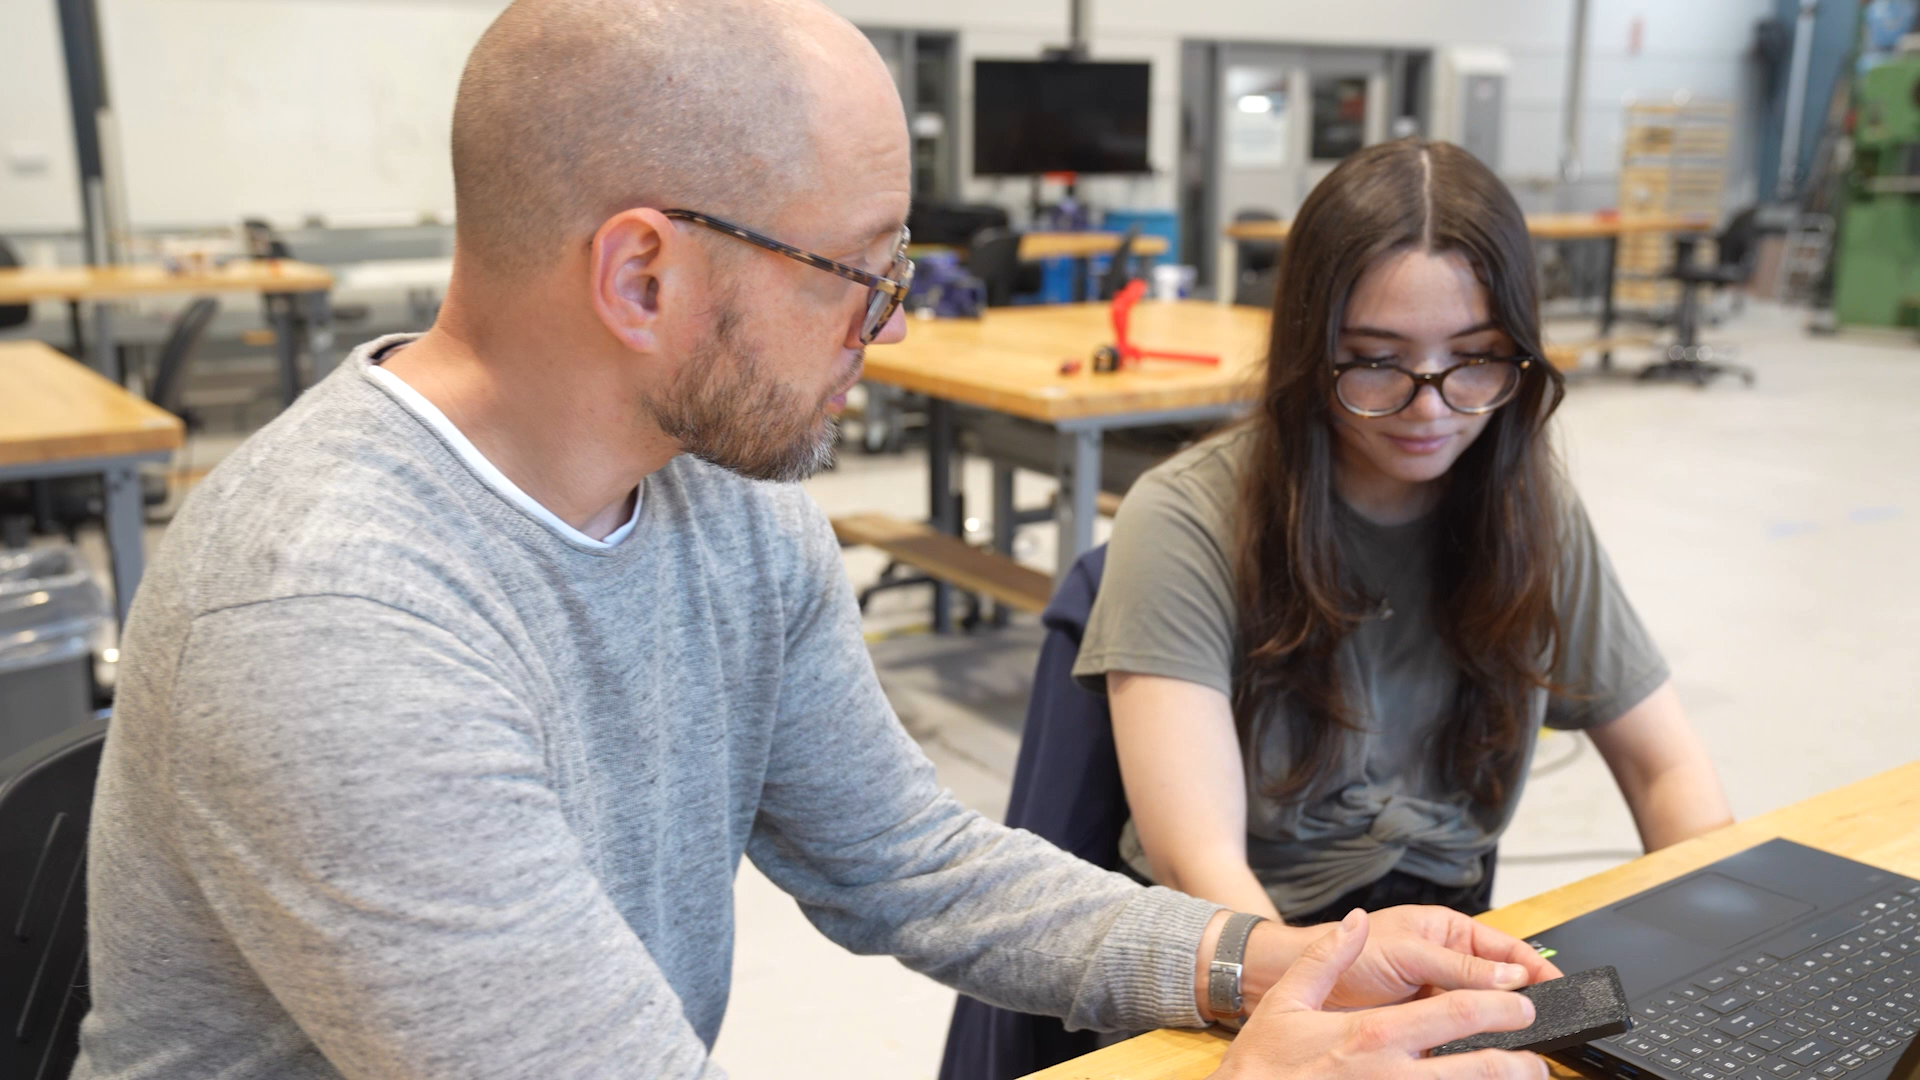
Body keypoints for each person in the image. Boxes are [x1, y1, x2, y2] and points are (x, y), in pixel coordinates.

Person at [73, 7, 1559, 1078]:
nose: (892, 322)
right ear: (641, 271)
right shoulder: (331, 623)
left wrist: (1262, 963)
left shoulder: (720, 494)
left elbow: (911, 864)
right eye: (858, 270)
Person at [1078, 139, 1735, 927]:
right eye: (1376, 361)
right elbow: (1197, 863)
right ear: (1307, 351)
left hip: (1442, 934)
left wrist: (1727, 943)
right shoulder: (1187, 518)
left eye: (1477, 358)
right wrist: (1322, 1013)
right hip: (1241, 949)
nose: (1431, 408)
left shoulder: (1527, 504)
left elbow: (1666, 770)